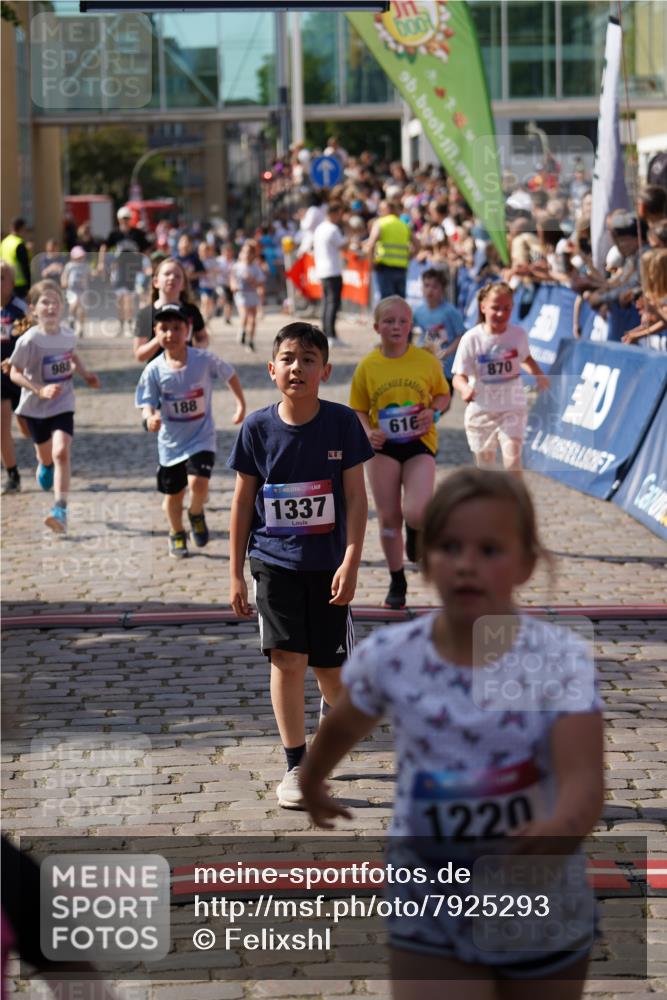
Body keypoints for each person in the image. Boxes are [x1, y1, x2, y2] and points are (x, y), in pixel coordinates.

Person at [300, 467, 604, 998]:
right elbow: (345, 721)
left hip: (538, 898)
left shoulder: (556, 659)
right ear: (424, 557)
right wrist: (311, 779)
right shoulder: (392, 657)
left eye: (490, 550)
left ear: (527, 564)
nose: (466, 564)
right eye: (449, 546)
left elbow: (584, 776)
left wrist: (562, 826)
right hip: (430, 902)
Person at [226, 322, 374, 808]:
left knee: (332, 674)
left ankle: (333, 701)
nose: (297, 367)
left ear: (325, 371)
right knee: (287, 660)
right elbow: (243, 502)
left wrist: (352, 559)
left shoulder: (342, 424)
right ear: (272, 370)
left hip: (329, 566)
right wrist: (233, 571)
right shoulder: (257, 428)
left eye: (308, 360)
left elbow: (355, 497)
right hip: (272, 561)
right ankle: (296, 764)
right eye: (288, 358)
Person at [349, 296, 450, 610]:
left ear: (411, 326)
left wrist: (433, 413)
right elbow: (358, 409)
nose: (396, 327)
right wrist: (366, 431)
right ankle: (397, 579)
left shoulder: (426, 361)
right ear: (377, 327)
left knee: (417, 510)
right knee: (389, 518)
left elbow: (443, 396)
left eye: (403, 321)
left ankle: (417, 532)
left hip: (420, 443)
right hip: (383, 447)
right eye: (389, 322)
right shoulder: (368, 366)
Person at [136, 303, 245, 559]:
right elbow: (146, 403)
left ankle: (196, 512)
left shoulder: (203, 359)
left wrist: (240, 404)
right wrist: (150, 417)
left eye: (176, 328)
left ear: (187, 330)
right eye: (163, 329)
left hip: (202, 436)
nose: (170, 334)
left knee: (198, 483)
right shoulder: (154, 369)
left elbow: (230, 374)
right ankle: (176, 532)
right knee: (173, 497)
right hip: (171, 443)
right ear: (155, 331)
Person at [8, 280, 100, 533]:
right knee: (46, 456)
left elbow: (71, 355)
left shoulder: (68, 335)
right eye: (44, 302)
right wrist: (39, 390)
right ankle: (45, 465)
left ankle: (60, 509)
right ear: (33, 310)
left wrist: (86, 374)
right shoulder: (29, 340)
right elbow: (14, 372)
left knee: (62, 453)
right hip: (36, 407)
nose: (51, 306)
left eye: (55, 302)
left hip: (63, 403)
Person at [452, 282, 549, 473]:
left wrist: (540, 376)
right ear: (483, 307)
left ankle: (516, 503)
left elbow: (526, 358)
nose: (501, 314)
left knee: (514, 466)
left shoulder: (518, 335)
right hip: (482, 411)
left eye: (507, 309)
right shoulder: (471, 339)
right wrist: (465, 389)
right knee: (485, 469)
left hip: (511, 408)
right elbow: (458, 376)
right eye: (495, 308)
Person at [133, 257, 208, 364]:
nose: (172, 278)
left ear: (183, 285)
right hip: (158, 376)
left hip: (186, 371)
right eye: (167, 274)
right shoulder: (145, 314)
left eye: (177, 276)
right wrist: (159, 339)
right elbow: (139, 355)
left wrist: (197, 350)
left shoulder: (191, 310)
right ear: (156, 282)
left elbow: (203, 337)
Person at [413, 268, 465, 393]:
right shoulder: (419, 312)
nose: (430, 290)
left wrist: (447, 351)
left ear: (442, 290)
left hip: (446, 367)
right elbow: (410, 332)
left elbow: (461, 336)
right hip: (426, 365)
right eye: (426, 285)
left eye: (435, 286)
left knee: (442, 403)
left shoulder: (450, 312)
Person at [99, 207, 149, 336]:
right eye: (123, 218)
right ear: (119, 219)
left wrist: (147, 265)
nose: (125, 221)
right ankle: (121, 324)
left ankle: (130, 324)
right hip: (119, 269)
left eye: (127, 218)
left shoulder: (137, 233)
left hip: (133, 269)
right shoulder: (114, 234)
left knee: (130, 297)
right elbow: (104, 247)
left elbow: (146, 249)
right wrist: (101, 263)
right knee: (120, 298)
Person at [0, 262, 27, 494]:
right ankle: (12, 475)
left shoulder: (19, 309)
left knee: (28, 428)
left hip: (21, 376)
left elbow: (32, 341)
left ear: (11, 283)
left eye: (2, 278)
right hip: (1, 380)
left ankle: (46, 457)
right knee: (2, 428)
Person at [313, 201, 348, 346]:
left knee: (327, 303)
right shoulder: (333, 229)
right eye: (339, 214)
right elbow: (343, 245)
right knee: (333, 303)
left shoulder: (319, 228)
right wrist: (350, 235)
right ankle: (331, 335)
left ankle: (326, 333)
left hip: (322, 270)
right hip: (332, 270)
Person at [365, 200, 414, 298]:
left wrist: (371, 264)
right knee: (399, 302)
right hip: (401, 268)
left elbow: (370, 245)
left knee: (387, 302)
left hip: (384, 267)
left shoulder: (380, 223)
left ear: (386, 210)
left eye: (381, 210)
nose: (379, 212)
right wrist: (408, 257)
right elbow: (417, 244)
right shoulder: (403, 225)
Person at [230, 240, 265, 352]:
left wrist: (253, 281)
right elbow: (232, 278)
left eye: (250, 252)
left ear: (254, 254)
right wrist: (233, 286)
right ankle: (242, 331)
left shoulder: (256, 267)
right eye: (245, 252)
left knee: (253, 320)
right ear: (241, 253)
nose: (247, 255)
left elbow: (261, 282)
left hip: (252, 294)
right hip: (241, 294)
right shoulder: (237, 266)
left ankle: (250, 340)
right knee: (244, 315)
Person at [61, 245, 90, 336]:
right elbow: (65, 275)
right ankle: (71, 319)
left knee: (82, 308)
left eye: (81, 257)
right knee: (74, 303)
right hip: (72, 289)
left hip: (82, 289)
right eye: (77, 257)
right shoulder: (70, 266)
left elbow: (90, 275)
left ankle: (81, 327)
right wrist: (64, 281)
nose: (79, 259)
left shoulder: (85, 266)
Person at [0, 217, 31, 300]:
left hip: (5, 283)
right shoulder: (19, 244)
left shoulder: (4, 242)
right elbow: (25, 266)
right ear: (21, 229)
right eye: (25, 229)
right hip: (19, 285)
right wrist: (29, 286)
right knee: (20, 309)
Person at [216, 243, 236, 325]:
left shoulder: (234, 262)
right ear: (222, 252)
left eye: (229, 251)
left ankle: (227, 317)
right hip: (220, 283)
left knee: (229, 302)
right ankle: (219, 308)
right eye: (226, 251)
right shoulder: (218, 261)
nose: (227, 253)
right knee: (223, 296)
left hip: (230, 284)